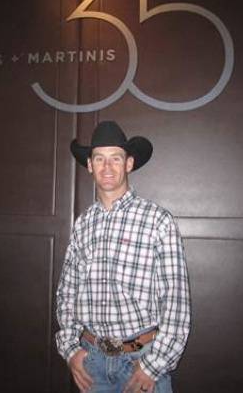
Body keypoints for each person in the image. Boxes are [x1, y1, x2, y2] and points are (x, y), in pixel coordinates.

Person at [55, 121, 191, 393]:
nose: (107, 167)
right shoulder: (83, 224)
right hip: (92, 363)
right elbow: (67, 291)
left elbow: (176, 301)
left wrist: (153, 365)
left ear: (129, 163)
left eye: (115, 158)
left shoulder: (157, 221)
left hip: (141, 362)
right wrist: (70, 349)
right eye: (99, 158)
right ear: (90, 165)